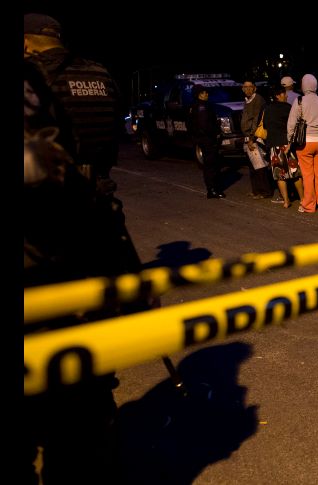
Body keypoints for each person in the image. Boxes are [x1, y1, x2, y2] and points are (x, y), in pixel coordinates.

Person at [24, 39, 149, 484]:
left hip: (45, 241)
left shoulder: (35, 81)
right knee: (92, 374)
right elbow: (107, 146)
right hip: (96, 226)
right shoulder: (97, 75)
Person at [24, 13, 121, 195]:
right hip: (100, 196)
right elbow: (116, 128)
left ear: (25, 44)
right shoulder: (101, 73)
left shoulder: (31, 78)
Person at [288, 73, 318, 213]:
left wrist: (289, 140)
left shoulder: (299, 101)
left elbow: (291, 123)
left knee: (307, 175)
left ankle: (309, 205)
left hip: (305, 142)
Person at [264, 85, 304, 208]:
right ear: (277, 95)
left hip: (274, 145)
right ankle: (303, 199)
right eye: (283, 94)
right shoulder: (288, 108)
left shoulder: (268, 108)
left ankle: (286, 201)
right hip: (287, 144)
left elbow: (265, 125)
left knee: (279, 174)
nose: (286, 96)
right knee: (294, 172)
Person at [189, 84, 226, 198]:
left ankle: (213, 188)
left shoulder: (196, 106)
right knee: (211, 165)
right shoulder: (202, 107)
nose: (207, 94)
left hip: (203, 139)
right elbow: (205, 125)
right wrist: (215, 131)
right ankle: (212, 190)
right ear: (199, 95)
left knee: (210, 164)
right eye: (204, 93)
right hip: (207, 139)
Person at [241, 80, 273, 199]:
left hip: (254, 137)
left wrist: (251, 138)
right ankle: (256, 190)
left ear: (255, 88)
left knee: (259, 165)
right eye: (246, 87)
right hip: (248, 137)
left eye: (250, 87)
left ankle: (264, 191)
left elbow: (256, 120)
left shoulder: (257, 100)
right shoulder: (247, 100)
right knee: (252, 166)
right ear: (242, 89)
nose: (248, 89)